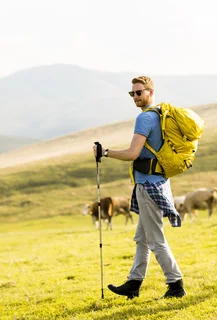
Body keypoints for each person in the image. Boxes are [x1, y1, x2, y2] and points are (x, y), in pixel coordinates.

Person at [92, 76, 186, 299]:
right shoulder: (161, 117)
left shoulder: (144, 119)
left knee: (155, 240)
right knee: (142, 238)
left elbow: (132, 153)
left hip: (147, 186)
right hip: (159, 182)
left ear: (150, 92)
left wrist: (105, 152)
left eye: (139, 93)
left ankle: (176, 285)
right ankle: (134, 283)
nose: (135, 97)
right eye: (132, 93)